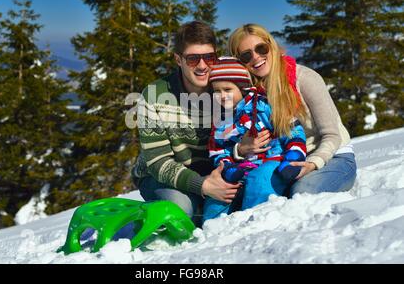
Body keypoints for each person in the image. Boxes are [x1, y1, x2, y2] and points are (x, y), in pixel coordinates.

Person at [131, 21, 241, 226]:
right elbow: (158, 163)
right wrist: (203, 186)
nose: (202, 66)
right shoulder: (155, 94)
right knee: (182, 208)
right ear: (178, 60)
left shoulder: (225, 91)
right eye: (192, 59)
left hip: (214, 172)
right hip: (161, 176)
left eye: (209, 57)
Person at [228, 24, 357, 197]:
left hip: (332, 157)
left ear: (271, 45)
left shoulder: (304, 78)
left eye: (261, 48)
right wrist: (240, 149)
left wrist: (312, 163)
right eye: (246, 55)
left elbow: (332, 135)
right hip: (286, 161)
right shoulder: (250, 95)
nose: (256, 57)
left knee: (302, 193)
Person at [203, 58, 307, 222]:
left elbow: (292, 129)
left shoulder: (264, 105)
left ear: (242, 88)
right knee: (219, 193)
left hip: (273, 161)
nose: (222, 96)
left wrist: (294, 153)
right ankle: (211, 227)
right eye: (216, 91)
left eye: (227, 89)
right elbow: (217, 149)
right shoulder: (220, 121)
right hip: (240, 168)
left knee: (259, 179)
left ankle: (253, 221)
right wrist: (227, 164)